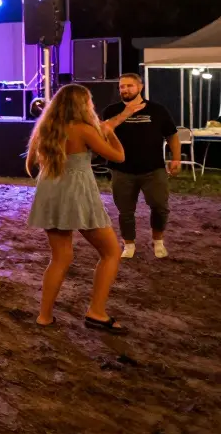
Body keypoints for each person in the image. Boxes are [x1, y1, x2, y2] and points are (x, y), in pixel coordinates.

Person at [27, 83, 128, 334]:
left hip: (50, 190)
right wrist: (109, 132)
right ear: (82, 105)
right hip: (77, 192)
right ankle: (97, 312)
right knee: (111, 252)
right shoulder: (83, 129)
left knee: (60, 257)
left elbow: (30, 165)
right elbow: (118, 157)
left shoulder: (45, 129)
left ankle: (44, 316)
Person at [102, 73, 181, 259]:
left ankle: (158, 241)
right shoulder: (111, 110)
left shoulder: (157, 110)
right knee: (125, 210)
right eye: (122, 86)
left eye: (129, 85)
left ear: (140, 87)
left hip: (153, 168)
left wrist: (176, 158)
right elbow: (103, 131)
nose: (125, 89)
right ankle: (128, 244)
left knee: (160, 207)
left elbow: (172, 135)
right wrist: (125, 114)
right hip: (122, 169)